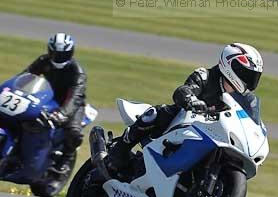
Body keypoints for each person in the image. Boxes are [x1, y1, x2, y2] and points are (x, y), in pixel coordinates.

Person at [108, 42, 264, 171]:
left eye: (253, 77)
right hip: (186, 123)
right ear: (231, 67)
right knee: (156, 113)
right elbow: (183, 90)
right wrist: (191, 101)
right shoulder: (206, 76)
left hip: (213, 136)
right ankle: (119, 150)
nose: (249, 81)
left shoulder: (245, 100)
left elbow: (247, 121)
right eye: (246, 74)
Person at [24, 32, 87, 176]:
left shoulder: (77, 71)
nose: (57, 57)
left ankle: (66, 160)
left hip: (71, 105)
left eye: (62, 54)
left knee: (73, 132)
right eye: (54, 53)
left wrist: (63, 113)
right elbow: (25, 76)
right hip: (46, 98)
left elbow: (76, 97)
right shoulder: (43, 61)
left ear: (70, 53)